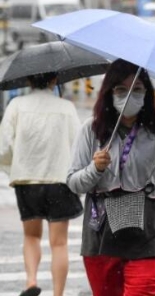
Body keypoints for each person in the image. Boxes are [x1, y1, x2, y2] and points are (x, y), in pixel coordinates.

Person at [66, 59, 155, 295]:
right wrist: (95, 168)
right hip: (101, 236)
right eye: (121, 90)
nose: (129, 96)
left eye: (136, 90)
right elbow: (74, 183)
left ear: (147, 94)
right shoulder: (91, 131)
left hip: (151, 234)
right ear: (109, 92)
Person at [0, 72, 83, 296]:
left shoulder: (16, 105)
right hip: (59, 181)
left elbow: (4, 146)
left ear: (28, 80)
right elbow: (78, 145)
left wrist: (14, 168)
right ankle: (58, 294)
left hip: (27, 180)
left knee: (31, 236)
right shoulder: (66, 108)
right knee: (59, 243)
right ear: (55, 80)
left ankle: (31, 282)